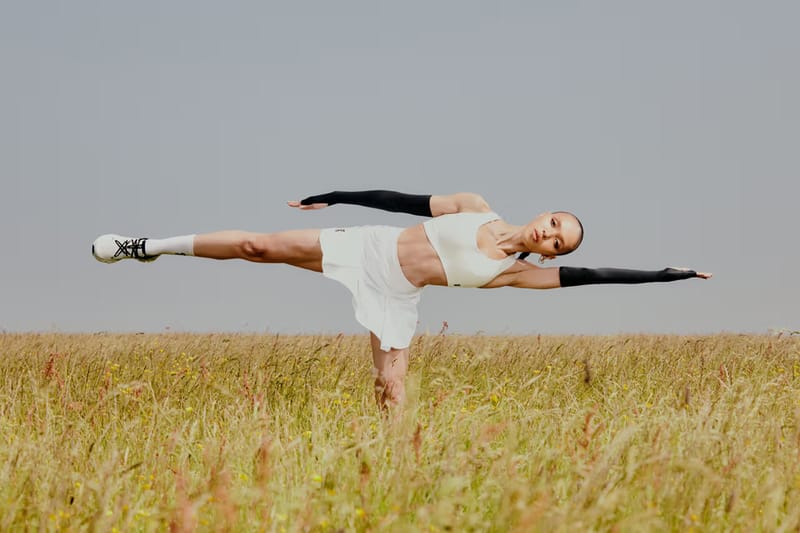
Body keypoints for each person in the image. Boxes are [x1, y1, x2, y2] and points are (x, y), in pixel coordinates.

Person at [92, 190, 711, 409]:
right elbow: (404, 201)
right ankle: (146, 245)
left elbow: (596, 278)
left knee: (392, 390)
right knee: (259, 244)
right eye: (555, 223)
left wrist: (665, 274)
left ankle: (394, 468)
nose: (550, 236)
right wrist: (336, 192)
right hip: (367, 246)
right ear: (545, 213)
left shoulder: (517, 275)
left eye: (559, 243)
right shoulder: (475, 206)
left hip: (397, 295)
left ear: (550, 256)